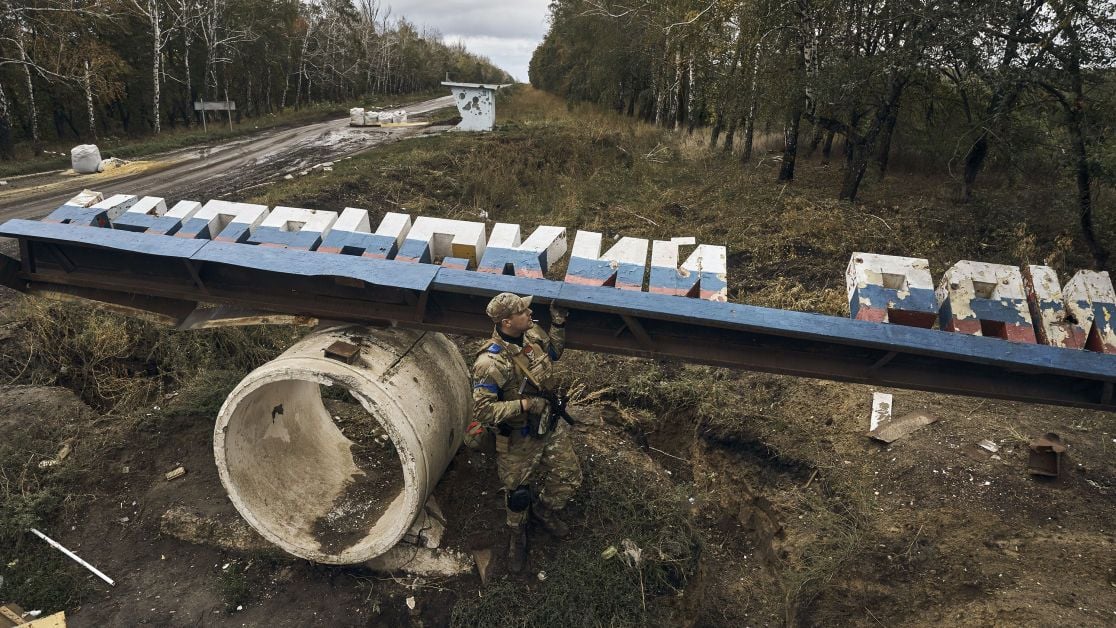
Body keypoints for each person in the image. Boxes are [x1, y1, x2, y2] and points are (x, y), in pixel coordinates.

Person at [469, 292, 583, 573]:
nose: (529, 312)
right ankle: (516, 535)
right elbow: (483, 412)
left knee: (569, 477)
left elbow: (554, 351)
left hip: (548, 425)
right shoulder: (490, 363)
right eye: (522, 311)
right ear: (507, 322)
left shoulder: (531, 333)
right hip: (518, 439)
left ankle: (544, 510)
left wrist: (558, 323)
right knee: (518, 495)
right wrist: (524, 404)